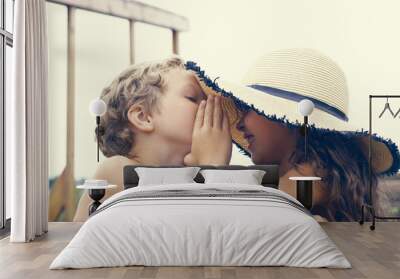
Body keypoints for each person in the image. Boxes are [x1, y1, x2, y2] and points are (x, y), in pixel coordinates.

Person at [185, 49, 400, 221]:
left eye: (247, 108)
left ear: (288, 119)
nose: (239, 123)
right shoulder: (328, 180)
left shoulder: (303, 187)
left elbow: (225, 230)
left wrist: (210, 168)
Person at [73, 56, 232, 221]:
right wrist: (212, 168)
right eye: (192, 98)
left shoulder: (189, 177)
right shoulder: (116, 169)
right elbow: (184, 227)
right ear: (143, 117)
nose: (209, 107)